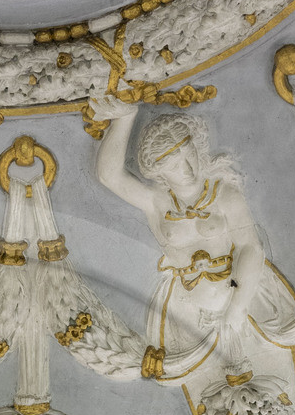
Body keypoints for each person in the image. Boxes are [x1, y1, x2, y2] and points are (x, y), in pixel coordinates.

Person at [96, 102, 281, 372]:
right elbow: (109, 176)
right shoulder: (157, 203)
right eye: (173, 164)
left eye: (188, 153)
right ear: (158, 172)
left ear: (197, 146)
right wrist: (125, 117)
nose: (187, 168)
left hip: (242, 299)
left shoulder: (224, 194)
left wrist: (238, 307)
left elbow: (251, 248)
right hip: (184, 314)